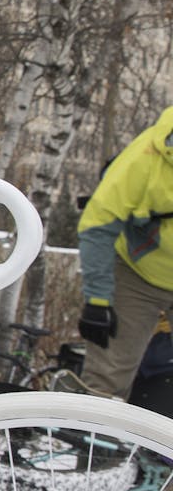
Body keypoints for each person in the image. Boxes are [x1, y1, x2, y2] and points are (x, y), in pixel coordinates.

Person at [73, 106, 173, 398]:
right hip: (137, 273)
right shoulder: (146, 158)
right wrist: (98, 301)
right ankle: (91, 438)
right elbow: (97, 227)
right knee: (107, 380)